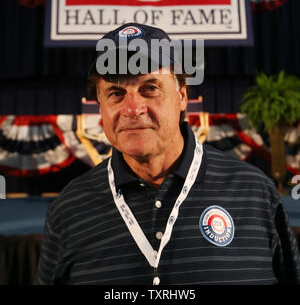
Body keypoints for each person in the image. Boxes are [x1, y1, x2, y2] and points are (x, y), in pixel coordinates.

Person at [35, 23, 300, 285]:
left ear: (182, 95)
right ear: (100, 107)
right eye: (116, 93)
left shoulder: (255, 193)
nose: (133, 108)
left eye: (150, 88)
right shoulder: (68, 209)